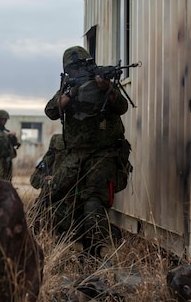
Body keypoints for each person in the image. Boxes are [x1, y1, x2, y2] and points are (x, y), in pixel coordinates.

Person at [44, 46, 130, 258]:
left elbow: (122, 106)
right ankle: (66, 240)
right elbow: (51, 111)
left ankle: (98, 249)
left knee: (93, 199)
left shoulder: (103, 82)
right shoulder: (68, 86)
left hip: (103, 153)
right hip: (75, 153)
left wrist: (106, 89)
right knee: (57, 192)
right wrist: (72, 93)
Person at [29, 134, 66, 234]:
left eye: (61, 151)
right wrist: (46, 180)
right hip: (46, 199)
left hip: (65, 201)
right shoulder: (48, 160)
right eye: (56, 151)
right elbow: (34, 181)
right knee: (33, 218)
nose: (59, 154)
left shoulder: (71, 162)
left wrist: (57, 179)